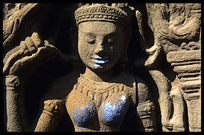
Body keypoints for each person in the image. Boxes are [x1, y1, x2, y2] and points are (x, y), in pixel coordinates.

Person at [4, 4, 157, 132]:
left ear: (124, 43)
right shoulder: (66, 86)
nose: (100, 49)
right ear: (75, 39)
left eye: (110, 41)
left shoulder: (135, 88)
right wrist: (14, 83)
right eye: (90, 41)